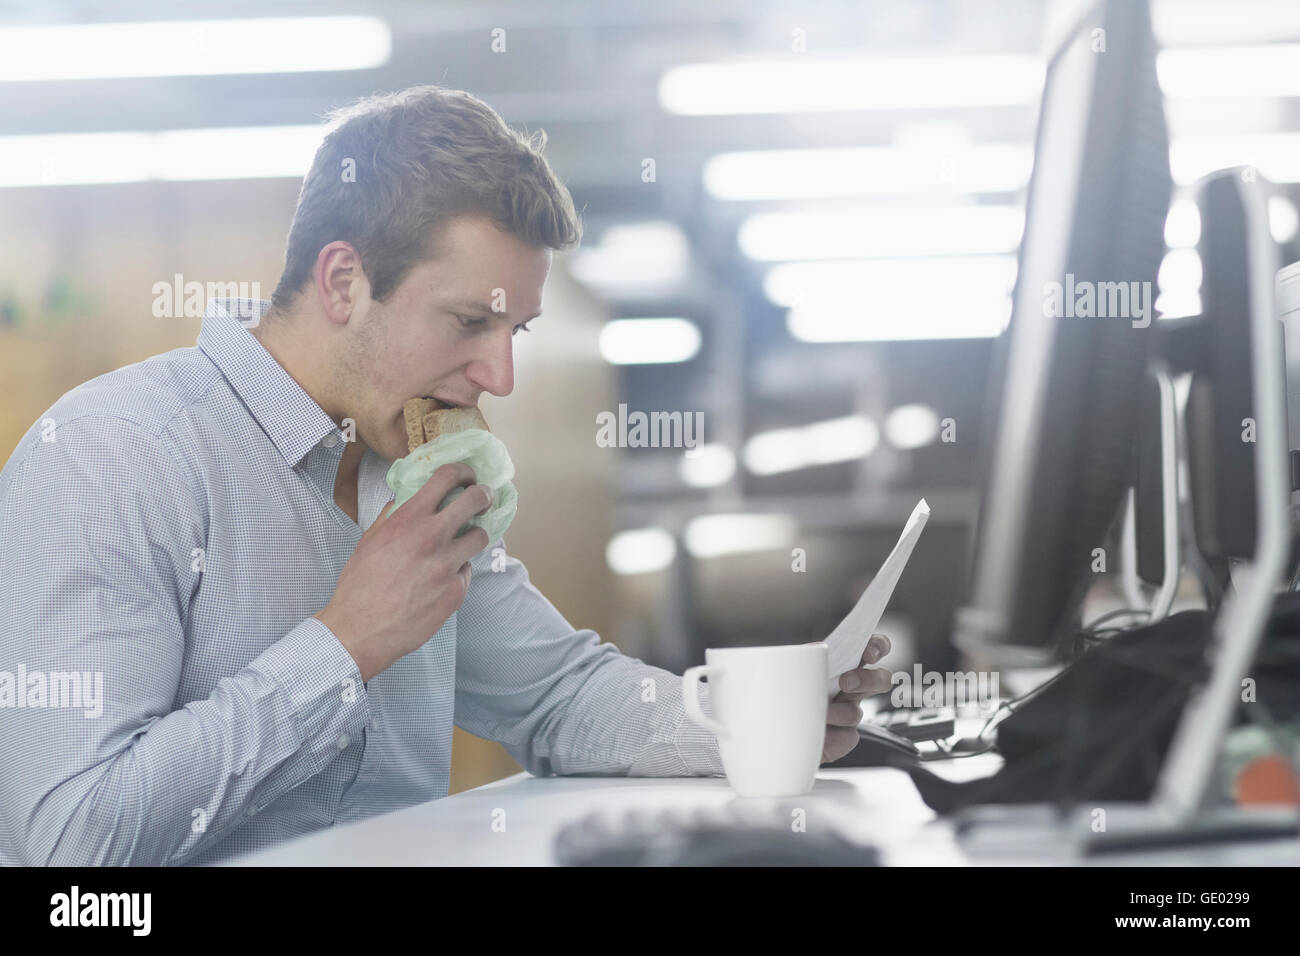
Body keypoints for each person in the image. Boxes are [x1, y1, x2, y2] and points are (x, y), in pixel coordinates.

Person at [0, 86, 891, 865]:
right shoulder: (111, 456)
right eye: (470, 321)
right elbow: (76, 842)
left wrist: (758, 717)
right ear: (343, 281)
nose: (499, 377)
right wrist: (345, 643)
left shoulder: (414, 475)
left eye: (517, 334)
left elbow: (562, 697)